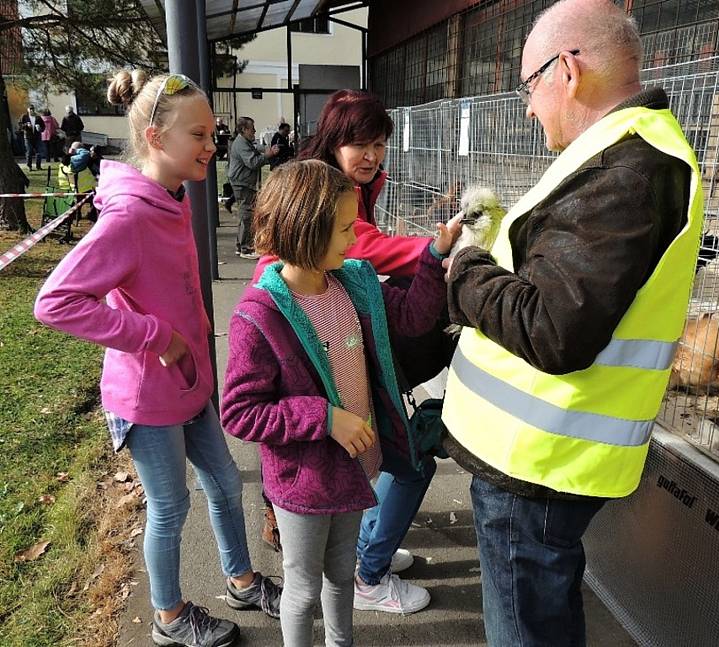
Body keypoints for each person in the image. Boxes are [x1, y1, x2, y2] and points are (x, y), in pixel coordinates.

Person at [440, 2, 705, 646]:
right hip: (543, 457)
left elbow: (552, 331)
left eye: (529, 85)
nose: (529, 108)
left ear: (566, 70)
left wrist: (466, 267)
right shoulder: (618, 156)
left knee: (527, 626)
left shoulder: (626, 171)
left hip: (538, 460)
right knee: (544, 610)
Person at [34, 69, 282, 647]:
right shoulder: (128, 216)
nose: (211, 146)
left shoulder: (169, 200)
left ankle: (241, 580)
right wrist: (156, 336)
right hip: (148, 398)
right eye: (198, 135)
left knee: (224, 483)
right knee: (170, 510)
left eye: (212, 133)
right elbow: (55, 303)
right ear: (155, 137)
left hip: (191, 388)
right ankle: (169, 618)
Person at [221, 159, 460, 646]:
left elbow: (413, 318)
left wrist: (433, 258)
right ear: (306, 230)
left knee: (340, 575)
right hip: (304, 484)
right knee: (304, 587)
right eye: (345, 228)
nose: (355, 239)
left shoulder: (355, 282)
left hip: (354, 467)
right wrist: (324, 418)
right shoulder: (259, 314)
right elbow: (240, 411)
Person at [227, 116, 279, 259]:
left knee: (245, 213)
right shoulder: (241, 144)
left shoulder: (244, 141)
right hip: (242, 183)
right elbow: (252, 162)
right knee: (247, 214)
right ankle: (246, 248)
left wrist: (266, 150)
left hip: (243, 182)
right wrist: (267, 155)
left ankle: (240, 245)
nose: (254, 131)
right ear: (244, 129)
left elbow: (256, 147)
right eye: (252, 128)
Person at [18, 105, 45, 171]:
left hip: (37, 137)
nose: (31, 110)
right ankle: (29, 166)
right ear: (27, 109)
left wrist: (40, 129)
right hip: (28, 137)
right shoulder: (24, 116)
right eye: (30, 109)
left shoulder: (38, 117)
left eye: (32, 109)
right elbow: (20, 125)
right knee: (29, 151)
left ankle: (38, 166)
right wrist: (26, 125)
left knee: (39, 152)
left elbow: (43, 126)